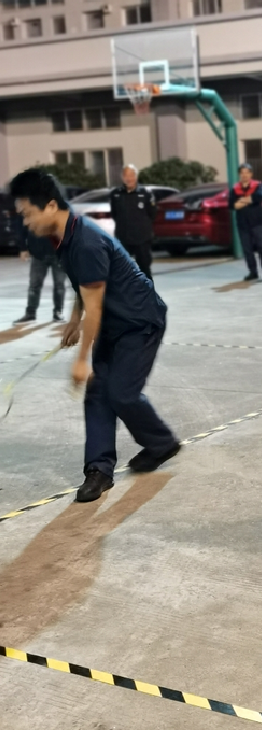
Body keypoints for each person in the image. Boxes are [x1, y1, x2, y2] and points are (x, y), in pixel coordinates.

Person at [10, 169, 180, 504]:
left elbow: (96, 306)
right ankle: (99, 469)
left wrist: (81, 360)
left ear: (49, 206)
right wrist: (74, 320)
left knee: (122, 393)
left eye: (27, 214)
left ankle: (161, 443)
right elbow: (84, 286)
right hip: (115, 321)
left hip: (139, 320)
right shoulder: (64, 236)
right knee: (98, 391)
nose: (26, 223)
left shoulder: (86, 240)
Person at [12, 217, 67, 324]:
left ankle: (58, 312)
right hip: (38, 254)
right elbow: (22, 227)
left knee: (59, 285)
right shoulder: (31, 209)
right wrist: (23, 248)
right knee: (34, 285)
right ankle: (30, 313)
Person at [109, 164, 156, 280]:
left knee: (144, 270)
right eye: (126, 175)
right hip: (123, 239)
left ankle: (147, 291)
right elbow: (115, 214)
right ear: (122, 177)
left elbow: (152, 214)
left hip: (142, 239)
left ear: (136, 176)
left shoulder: (146, 193)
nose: (129, 178)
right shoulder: (116, 194)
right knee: (122, 271)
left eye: (131, 175)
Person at [229, 163, 262, 282]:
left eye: (247, 172)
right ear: (239, 174)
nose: (244, 175)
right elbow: (233, 205)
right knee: (247, 250)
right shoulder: (235, 188)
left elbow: (258, 198)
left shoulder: (258, 185)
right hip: (243, 224)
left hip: (257, 222)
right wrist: (248, 200)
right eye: (242, 172)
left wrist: (241, 201)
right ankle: (253, 272)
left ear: (251, 174)